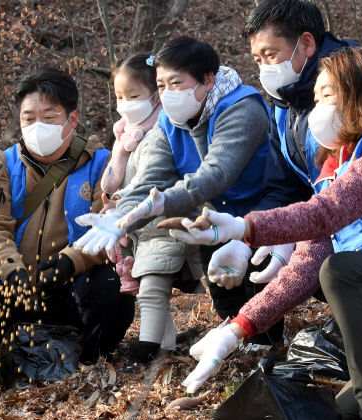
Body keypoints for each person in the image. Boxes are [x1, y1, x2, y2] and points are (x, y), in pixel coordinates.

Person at [168, 47, 362, 419]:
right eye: (315, 99)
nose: (318, 110)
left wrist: (244, 226)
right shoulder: (334, 174)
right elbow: (303, 268)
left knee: (342, 271)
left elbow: (326, 214)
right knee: (349, 406)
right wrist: (237, 329)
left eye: (327, 95)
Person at [73, 36, 274, 358]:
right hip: (214, 219)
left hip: (263, 211)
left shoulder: (242, 109)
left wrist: (160, 203)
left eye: (176, 83)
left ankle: (269, 348)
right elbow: (151, 177)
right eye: (162, 86)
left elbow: (216, 173)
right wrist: (120, 215)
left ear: (208, 79)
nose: (168, 94)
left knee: (259, 289)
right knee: (225, 292)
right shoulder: (168, 121)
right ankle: (242, 347)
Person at [0, 68, 135, 380]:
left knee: (112, 290)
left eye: (49, 117)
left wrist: (68, 262)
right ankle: (15, 371)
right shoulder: (3, 164)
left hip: (74, 284)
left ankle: (84, 365)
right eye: (29, 118)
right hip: (19, 284)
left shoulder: (103, 163)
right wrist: (12, 271)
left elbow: (110, 230)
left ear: (71, 119)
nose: (38, 126)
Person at [98, 53, 203, 370]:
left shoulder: (162, 131)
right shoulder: (125, 137)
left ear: (155, 95)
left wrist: (123, 200)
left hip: (163, 223)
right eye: (119, 96)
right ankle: (164, 345)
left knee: (153, 286)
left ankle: (146, 350)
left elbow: (152, 180)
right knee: (149, 286)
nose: (125, 103)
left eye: (133, 96)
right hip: (140, 229)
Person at [238, 0, 355, 284]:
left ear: (306, 43)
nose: (264, 67)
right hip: (324, 224)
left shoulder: (352, 88)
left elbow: (353, 193)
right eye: (258, 59)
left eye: (271, 54)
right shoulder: (282, 104)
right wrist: (243, 235)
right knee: (256, 249)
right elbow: (282, 188)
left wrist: (296, 233)